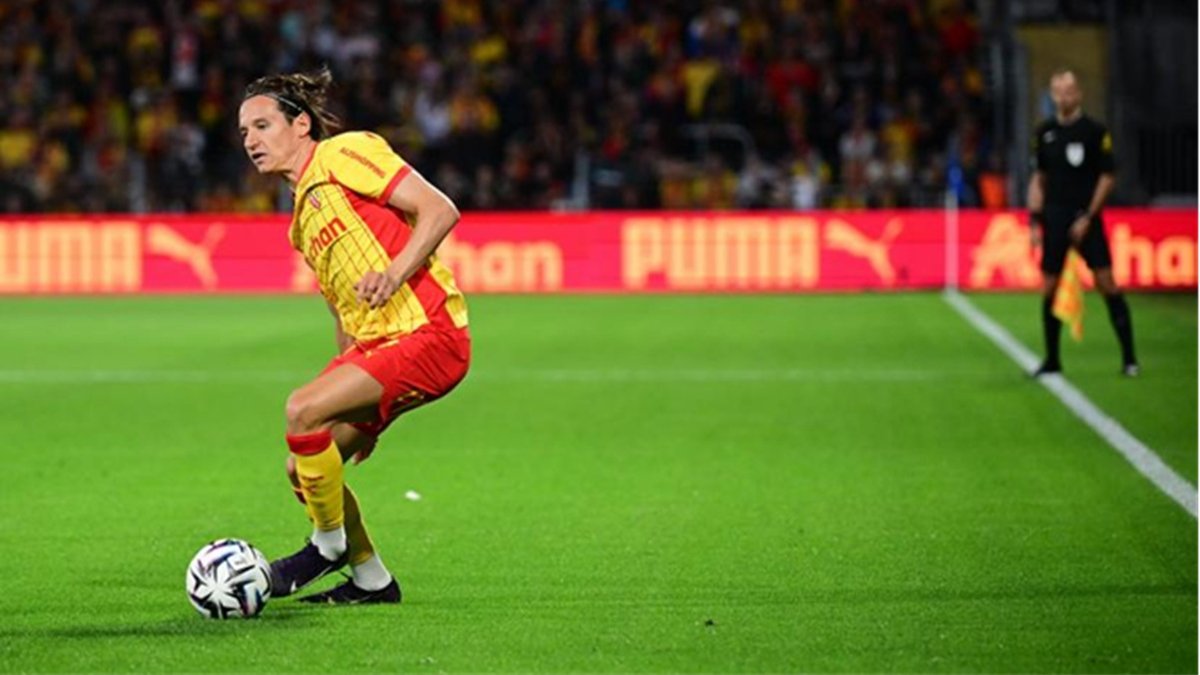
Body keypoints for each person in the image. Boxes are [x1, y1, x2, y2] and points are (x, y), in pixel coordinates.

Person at [237, 67, 470, 604]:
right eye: (244, 132)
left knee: (301, 410)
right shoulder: (301, 221)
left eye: (262, 126)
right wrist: (355, 393)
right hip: (379, 348)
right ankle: (372, 579)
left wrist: (394, 273)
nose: (250, 141)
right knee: (304, 467)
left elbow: (440, 210)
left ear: (300, 125)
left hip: (428, 332)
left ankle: (326, 546)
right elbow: (341, 308)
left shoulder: (343, 154)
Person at [1027, 68, 1137, 377]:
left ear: (1078, 94)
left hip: (1086, 216)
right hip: (1055, 217)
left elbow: (1107, 177)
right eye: (1058, 91)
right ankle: (1052, 360)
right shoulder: (1044, 133)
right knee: (1049, 286)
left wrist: (1088, 216)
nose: (1063, 97)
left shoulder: (1094, 132)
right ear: (1052, 95)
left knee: (1106, 282)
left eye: (1068, 91)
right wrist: (1033, 221)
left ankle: (1129, 359)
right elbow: (1039, 179)